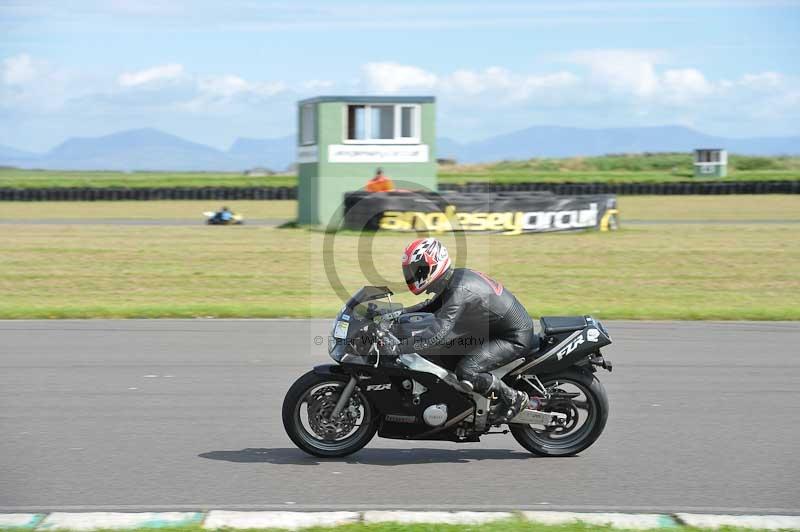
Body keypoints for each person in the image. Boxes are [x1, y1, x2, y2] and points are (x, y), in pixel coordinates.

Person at [398, 237, 533, 423]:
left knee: (467, 371)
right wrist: (394, 314)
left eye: (417, 269)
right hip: (490, 330)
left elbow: (438, 332)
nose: (412, 275)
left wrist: (399, 348)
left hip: (511, 336)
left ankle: (514, 398)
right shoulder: (452, 279)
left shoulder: (458, 288)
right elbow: (431, 305)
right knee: (445, 355)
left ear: (433, 265)